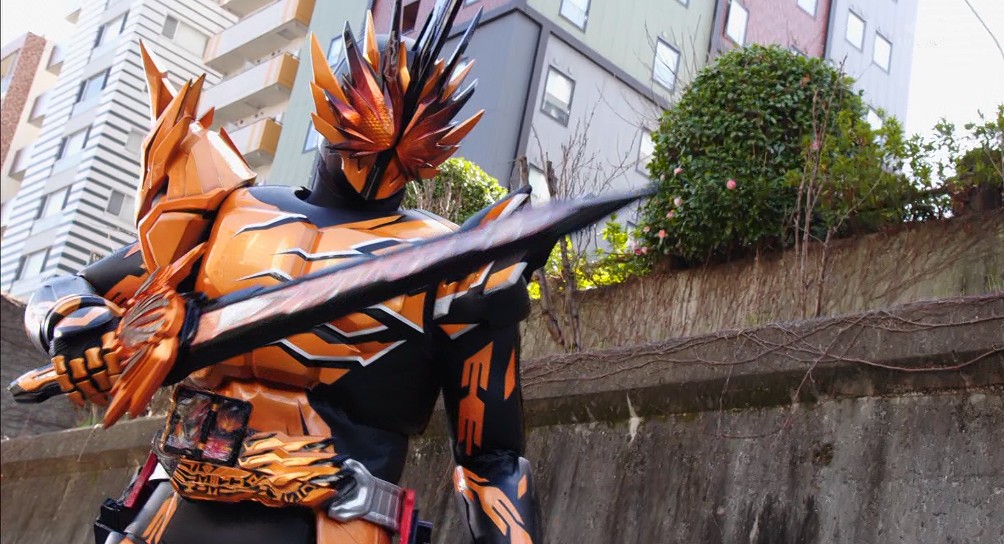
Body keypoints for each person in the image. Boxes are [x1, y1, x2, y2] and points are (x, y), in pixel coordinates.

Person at [21, 1, 541, 542]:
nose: (379, 157)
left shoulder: (454, 264)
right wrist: (73, 322)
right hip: (170, 507)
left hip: (337, 522)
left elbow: (492, 460)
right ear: (331, 106)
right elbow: (70, 289)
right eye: (369, 128)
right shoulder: (224, 216)